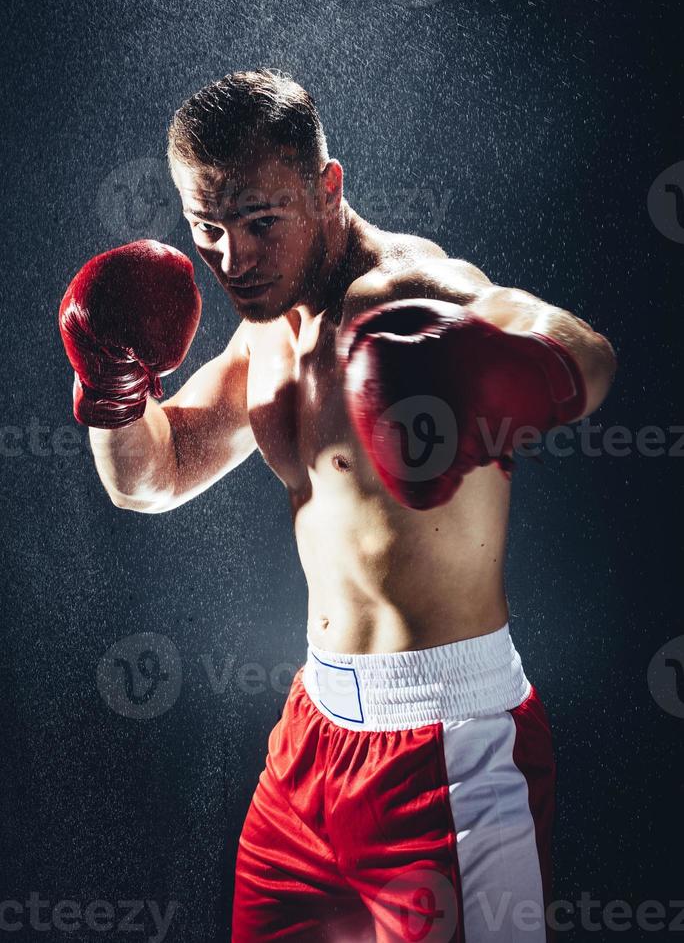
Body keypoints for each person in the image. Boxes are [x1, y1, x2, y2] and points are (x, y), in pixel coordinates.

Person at [59, 69, 616, 942]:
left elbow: (586, 355)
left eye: (259, 224)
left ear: (327, 188)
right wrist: (111, 390)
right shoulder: (268, 329)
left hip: (450, 755)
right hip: (309, 746)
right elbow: (150, 480)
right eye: (206, 229)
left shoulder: (409, 292)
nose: (232, 260)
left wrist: (478, 362)